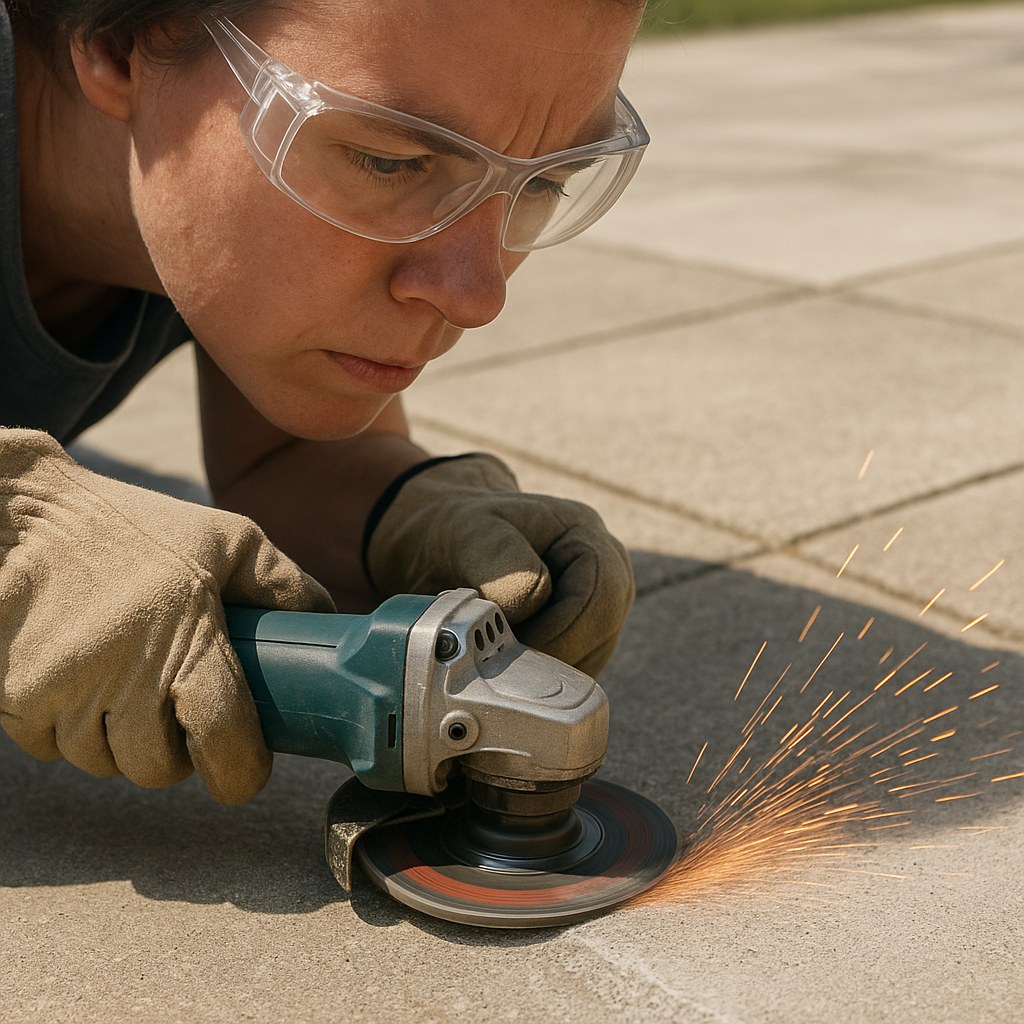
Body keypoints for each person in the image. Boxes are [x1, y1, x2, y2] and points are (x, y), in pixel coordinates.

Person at [0, 0, 647, 804]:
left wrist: (399, 509)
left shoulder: (193, 196)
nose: (477, 295)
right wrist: (20, 534)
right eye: (389, 161)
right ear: (117, 40)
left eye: (545, 180)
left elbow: (281, 458)